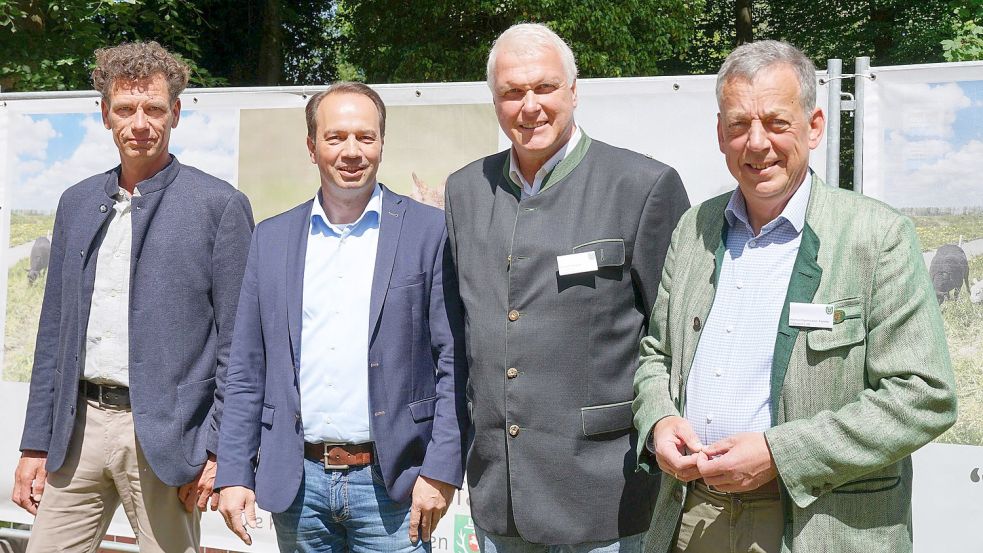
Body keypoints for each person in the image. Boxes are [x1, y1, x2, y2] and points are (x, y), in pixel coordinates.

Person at [632, 40, 958, 553]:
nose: (756, 143)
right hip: (694, 517)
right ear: (720, 134)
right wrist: (659, 420)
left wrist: (780, 453)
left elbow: (924, 394)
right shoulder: (694, 228)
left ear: (814, 125)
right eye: (739, 125)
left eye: (776, 122)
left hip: (818, 526)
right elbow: (656, 355)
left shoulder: (876, 235)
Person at [444, 23, 690, 552]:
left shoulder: (642, 187)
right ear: (495, 101)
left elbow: (675, 337)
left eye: (544, 88)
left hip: (607, 491)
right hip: (500, 495)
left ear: (574, 91)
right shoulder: (465, 191)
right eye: (512, 92)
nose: (529, 106)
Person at [11, 41, 254, 552]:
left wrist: (220, 452)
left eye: (154, 108)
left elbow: (239, 347)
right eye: (125, 109)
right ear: (105, 115)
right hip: (77, 432)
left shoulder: (219, 206)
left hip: (168, 437)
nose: (140, 123)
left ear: (176, 113)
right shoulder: (76, 203)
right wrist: (35, 443)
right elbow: (53, 332)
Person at [215, 82, 468, 553]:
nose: (351, 151)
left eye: (364, 137)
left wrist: (441, 469)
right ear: (312, 147)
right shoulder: (271, 239)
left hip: (394, 485)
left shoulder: (429, 233)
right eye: (335, 138)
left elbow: (454, 361)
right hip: (299, 487)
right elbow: (245, 369)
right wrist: (233, 470)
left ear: (381, 143)